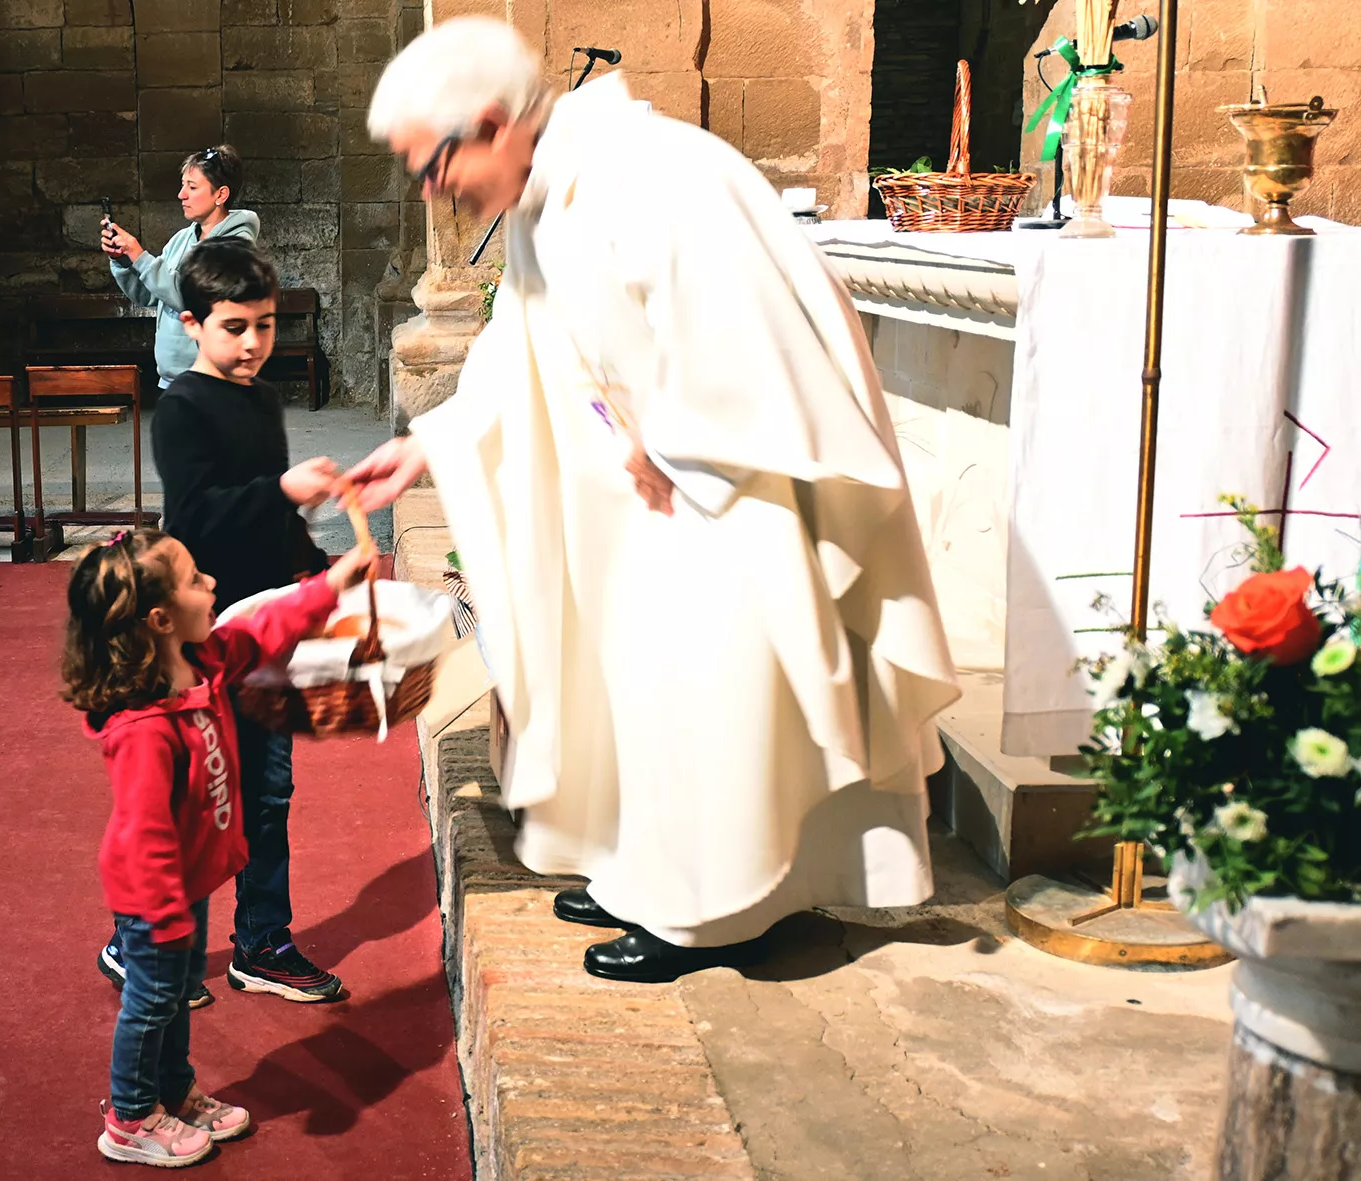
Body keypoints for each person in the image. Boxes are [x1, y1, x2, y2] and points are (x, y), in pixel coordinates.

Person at [344, 18, 962, 983]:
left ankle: (709, 910)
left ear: (495, 122)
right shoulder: (557, 195)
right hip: (643, 499)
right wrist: (426, 446)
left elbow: (743, 334)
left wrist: (675, 443)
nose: (435, 191)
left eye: (432, 166)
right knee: (639, 687)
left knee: (706, 690)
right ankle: (649, 871)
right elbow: (526, 354)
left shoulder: (654, 175)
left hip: (719, 487)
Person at [63, 528, 374, 1167]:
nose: (212, 586)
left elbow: (263, 627)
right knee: (152, 1001)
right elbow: (142, 833)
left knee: (175, 995)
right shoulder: (145, 729)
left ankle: (174, 1091)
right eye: (196, 580)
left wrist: (327, 589)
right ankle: (129, 1115)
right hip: (157, 894)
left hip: (191, 878)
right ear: (159, 619)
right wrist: (167, 913)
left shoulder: (204, 664)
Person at [104, 235, 348, 1006]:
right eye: (235, 326)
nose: (253, 343)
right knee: (202, 796)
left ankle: (261, 941)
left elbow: (273, 517)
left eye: (266, 326)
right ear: (192, 323)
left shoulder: (263, 399)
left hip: (268, 627)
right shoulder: (181, 409)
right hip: (206, 635)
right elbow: (198, 519)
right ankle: (140, 940)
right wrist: (281, 489)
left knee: (269, 792)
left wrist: (315, 569)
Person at [103, 144, 259, 392]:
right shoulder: (180, 240)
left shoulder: (236, 245)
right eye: (183, 184)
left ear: (220, 195)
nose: (181, 194)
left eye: (192, 187)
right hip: (174, 379)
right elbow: (151, 294)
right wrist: (124, 260)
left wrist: (140, 256)